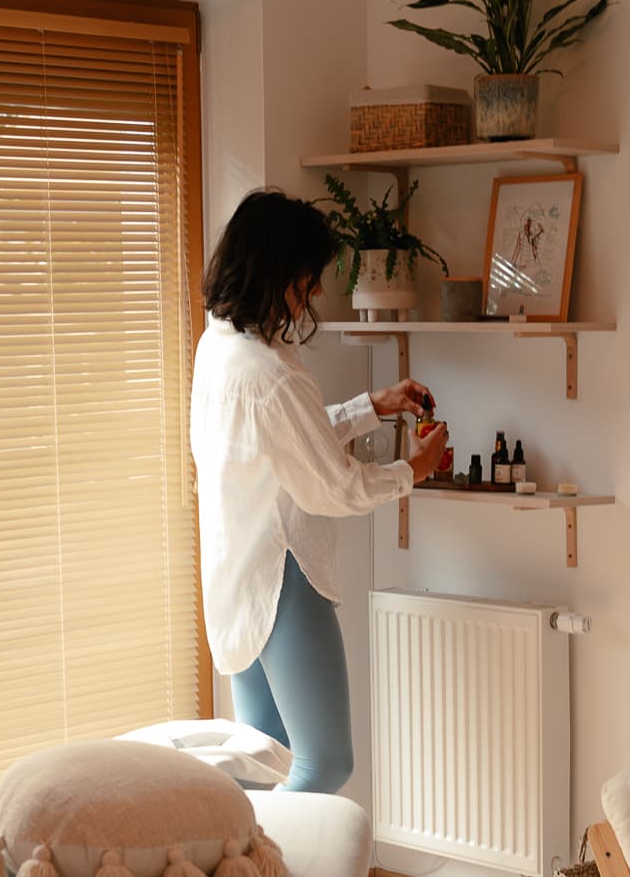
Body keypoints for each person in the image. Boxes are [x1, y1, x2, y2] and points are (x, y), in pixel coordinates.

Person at [189, 187, 447, 793]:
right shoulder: (270, 374)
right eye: (308, 278)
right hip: (285, 578)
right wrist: (415, 470)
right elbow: (335, 487)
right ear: (281, 271)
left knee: (265, 762)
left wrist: (369, 407)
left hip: (235, 575)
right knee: (324, 763)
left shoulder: (219, 347)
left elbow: (284, 441)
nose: (313, 293)